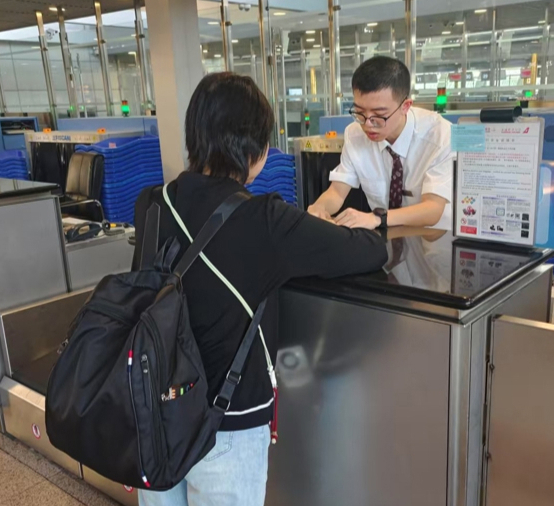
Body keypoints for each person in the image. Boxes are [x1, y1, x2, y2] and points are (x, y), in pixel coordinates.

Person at [138, 73, 387, 506]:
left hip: (155, 413)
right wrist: (372, 222)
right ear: (256, 151)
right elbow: (366, 253)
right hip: (227, 422)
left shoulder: (152, 203)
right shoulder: (266, 221)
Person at [307, 56, 454, 231]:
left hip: (434, 241)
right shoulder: (354, 134)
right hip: (387, 240)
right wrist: (319, 208)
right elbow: (337, 191)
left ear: (405, 106)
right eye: (360, 112)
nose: (368, 124)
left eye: (379, 114)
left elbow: (433, 209)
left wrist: (377, 217)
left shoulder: (440, 134)